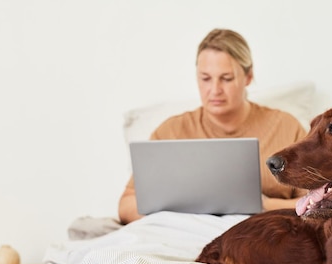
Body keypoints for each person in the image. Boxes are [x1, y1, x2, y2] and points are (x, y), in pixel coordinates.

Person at [118, 28, 307, 224]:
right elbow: (127, 204)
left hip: (263, 234)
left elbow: (318, 202)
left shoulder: (287, 127)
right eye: (205, 79)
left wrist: (263, 206)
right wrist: (179, 219)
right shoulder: (171, 131)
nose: (215, 90)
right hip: (184, 234)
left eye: (226, 78)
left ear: (248, 77)